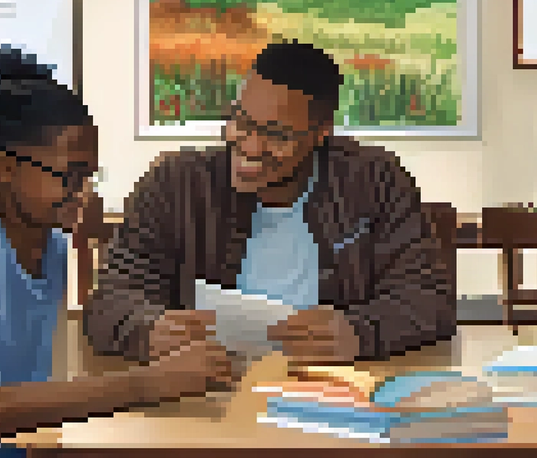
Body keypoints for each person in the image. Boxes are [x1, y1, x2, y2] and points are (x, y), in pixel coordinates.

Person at [0, 46, 236, 458]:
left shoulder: (53, 248)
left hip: (7, 456)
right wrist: (147, 383)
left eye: (90, 176)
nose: (85, 193)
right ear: (5, 168)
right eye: (70, 176)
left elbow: (22, 392)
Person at [84, 39, 456, 365]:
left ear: (321, 134)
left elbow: (429, 301)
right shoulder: (176, 184)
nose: (249, 147)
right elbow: (109, 302)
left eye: (276, 136)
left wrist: (361, 333)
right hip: (205, 393)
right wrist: (149, 330)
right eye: (241, 122)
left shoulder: (374, 182)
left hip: (331, 390)